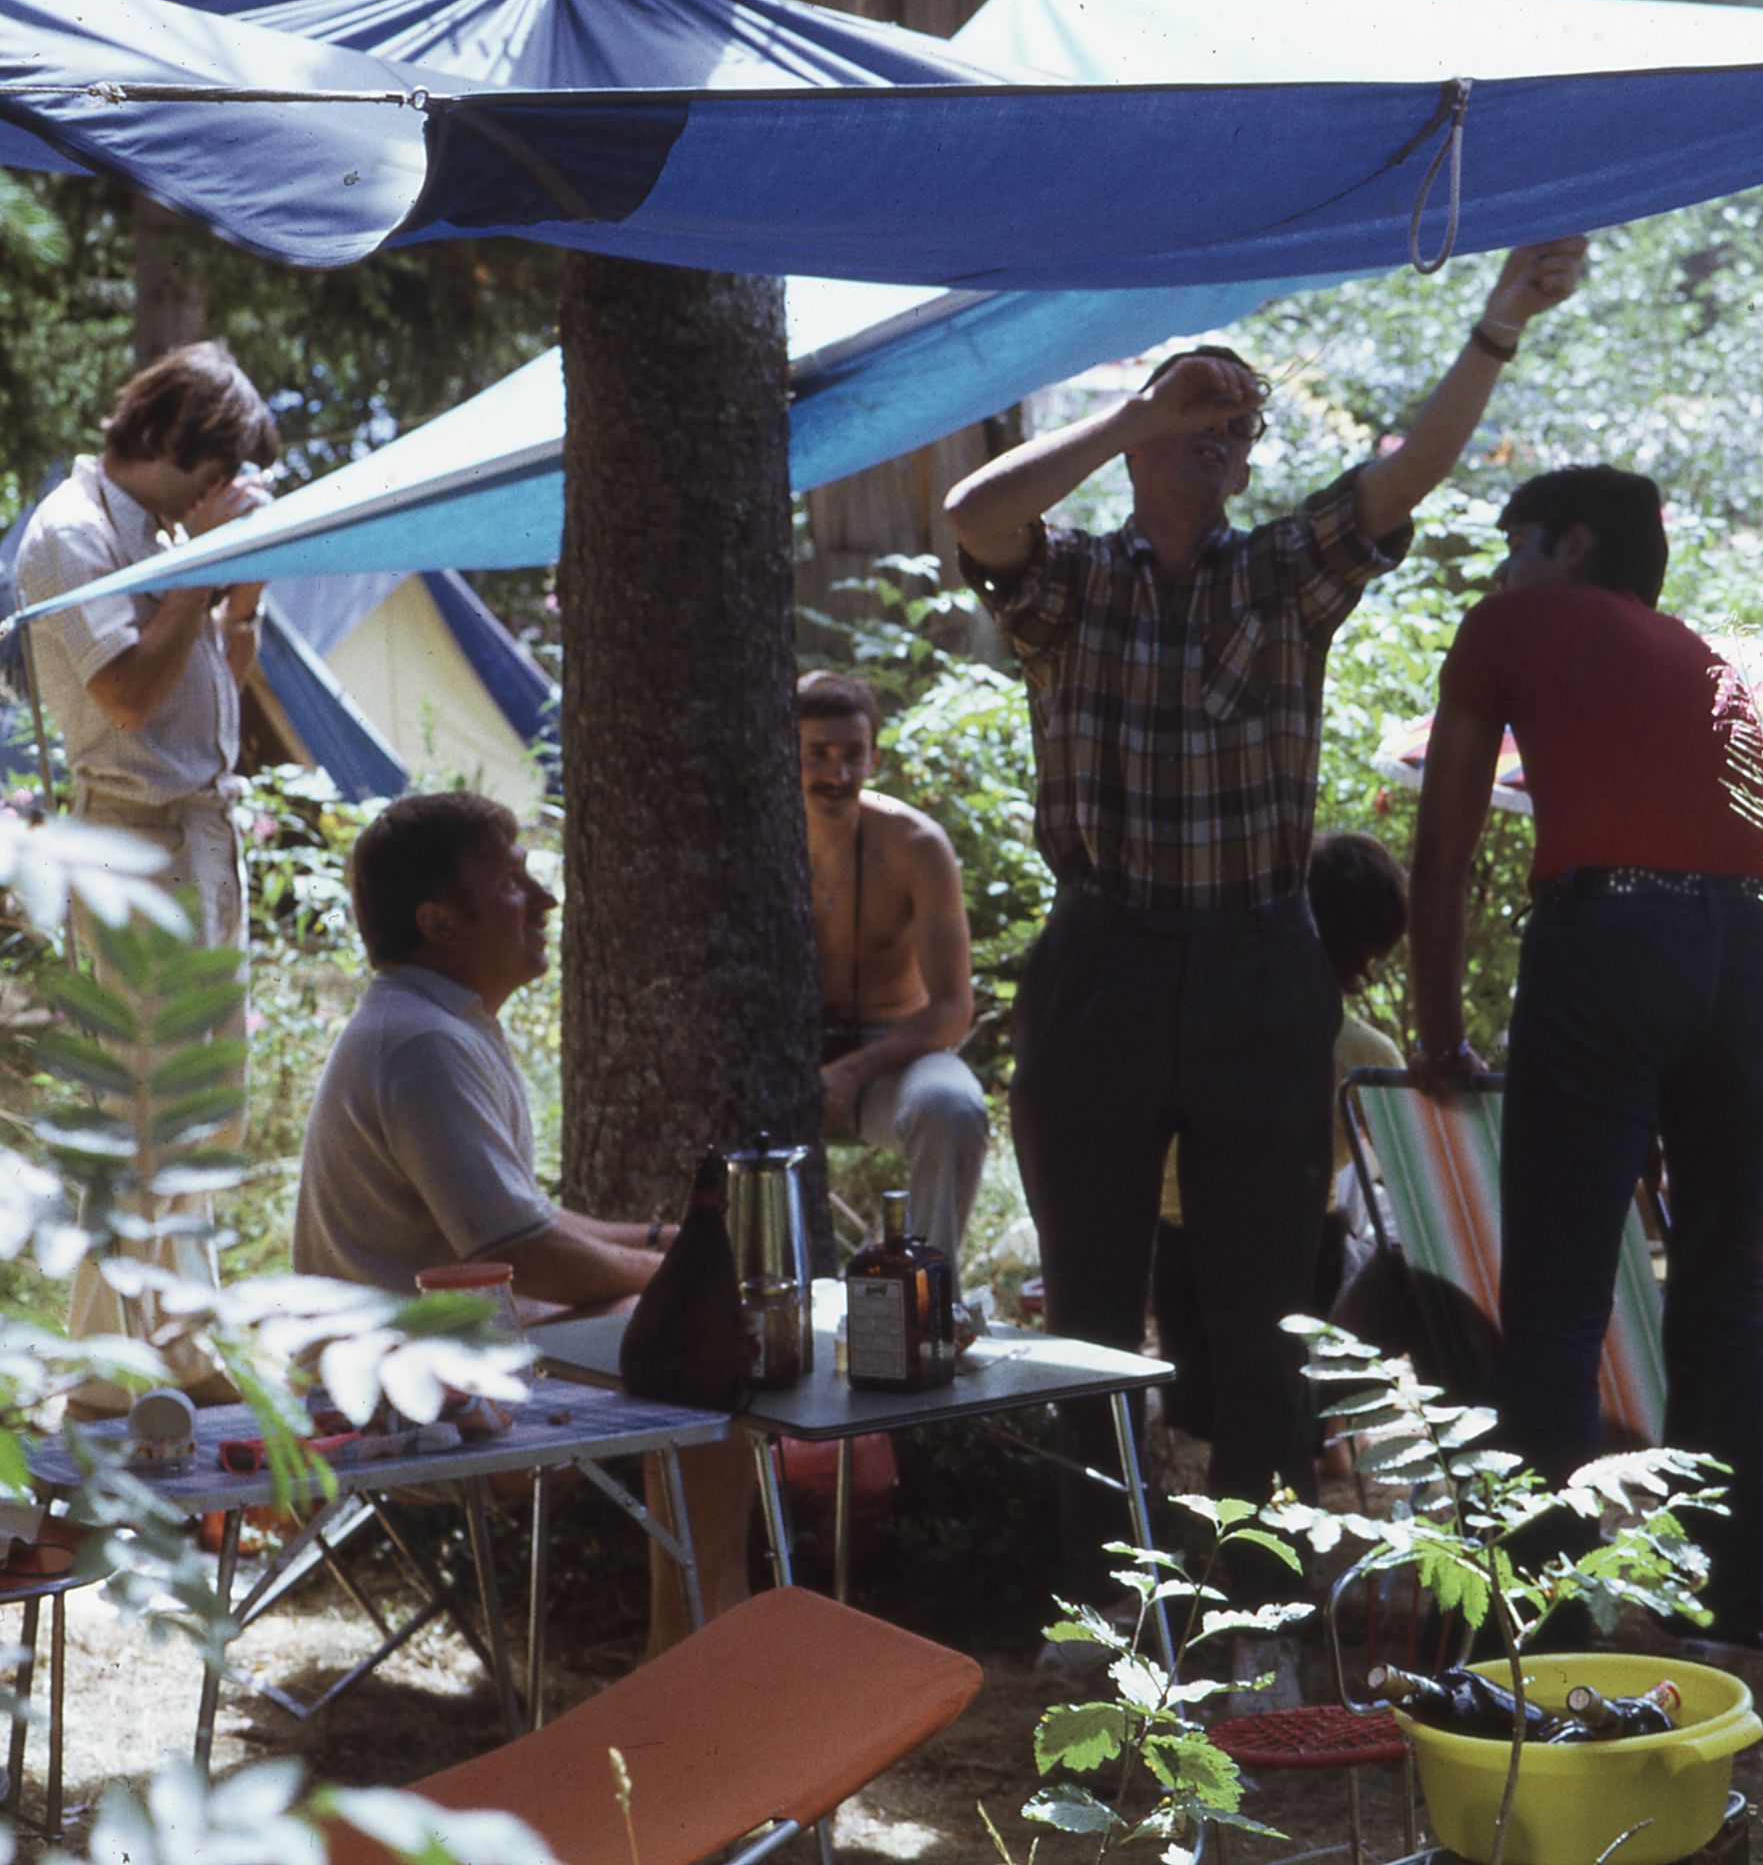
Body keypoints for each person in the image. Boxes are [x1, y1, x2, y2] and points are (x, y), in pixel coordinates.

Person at [941, 237, 1588, 1570]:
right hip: (1101, 961)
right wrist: (1134, 410)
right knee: (1090, 1316)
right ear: (1139, 435)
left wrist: (1500, 319)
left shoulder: (1284, 573)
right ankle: (1103, 1598)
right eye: (1192, 405)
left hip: (1256, 962)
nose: (1212, 430)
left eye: (1235, 422)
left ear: (1247, 464)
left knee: (1262, 1314)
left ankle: (1260, 1599)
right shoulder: (1073, 581)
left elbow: (1408, 474)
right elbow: (972, 511)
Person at [1408, 464, 1763, 1652]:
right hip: (1758, 946)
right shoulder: (1701, 652)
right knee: (1727, 1281)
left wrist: (1438, 1031)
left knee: (1559, 1295)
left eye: (1514, 540)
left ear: (1571, 542)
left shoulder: (1511, 623)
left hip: (1613, 934)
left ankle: (1543, 1616)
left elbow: (1443, 848)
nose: (1501, 567)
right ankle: (1735, 1609)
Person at [293, 791, 751, 1654]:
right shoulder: (422, 1044)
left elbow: (521, 1221)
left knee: (689, 1325)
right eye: (511, 883)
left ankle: (711, 1637)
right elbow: (521, 1253)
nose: (543, 900)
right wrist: (691, 1285)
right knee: (702, 1347)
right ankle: (697, 1654)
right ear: (439, 921)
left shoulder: (436, 1022)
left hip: (429, 1359)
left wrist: (674, 1244)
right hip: (390, 1399)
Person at [15, 342, 282, 1405]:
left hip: (199, 832)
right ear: (175, 440)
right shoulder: (72, 534)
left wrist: (238, 602)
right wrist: (205, 566)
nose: (223, 489)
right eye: (220, 469)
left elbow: (218, 685)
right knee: (139, 1110)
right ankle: (109, 1373)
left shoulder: (163, 534)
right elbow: (126, 696)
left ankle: (179, 1344)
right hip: (133, 836)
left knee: (199, 1107)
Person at [1153, 829, 1407, 1438]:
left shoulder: (1198, 1023)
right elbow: (1416, 1185)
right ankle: (1326, 1428)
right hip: (1303, 1267)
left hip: (1182, 1261)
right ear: (1372, 950)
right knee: (1393, 1258)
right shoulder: (1366, 1055)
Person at [795, 669, 989, 1254]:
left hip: (891, 1055)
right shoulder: (754, 839)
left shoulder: (915, 846)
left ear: (875, 758)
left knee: (953, 1109)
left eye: (853, 755)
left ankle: (927, 1288)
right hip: (783, 1057)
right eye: (817, 755)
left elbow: (953, 1009)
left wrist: (851, 1072)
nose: (837, 775)